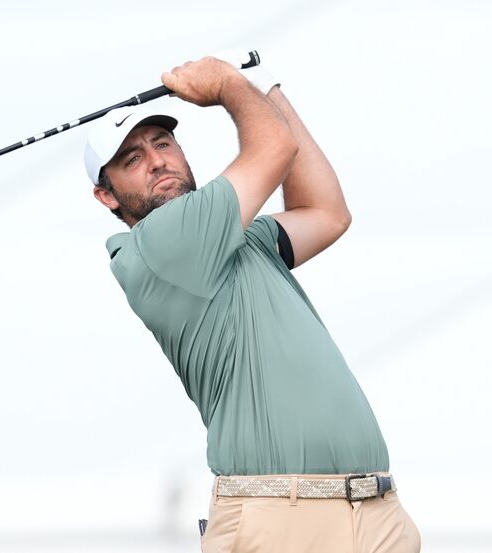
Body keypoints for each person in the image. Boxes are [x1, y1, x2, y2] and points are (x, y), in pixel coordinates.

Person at [83, 52, 421, 553]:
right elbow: (274, 146)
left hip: (372, 511)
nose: (157, 161)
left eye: (163, 143)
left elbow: (326, 212)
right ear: (107, 196)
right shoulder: (157, 245)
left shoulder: (239, 239)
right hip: (276, 516)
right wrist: (228, 85)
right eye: (132, 160)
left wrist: (266, 88)